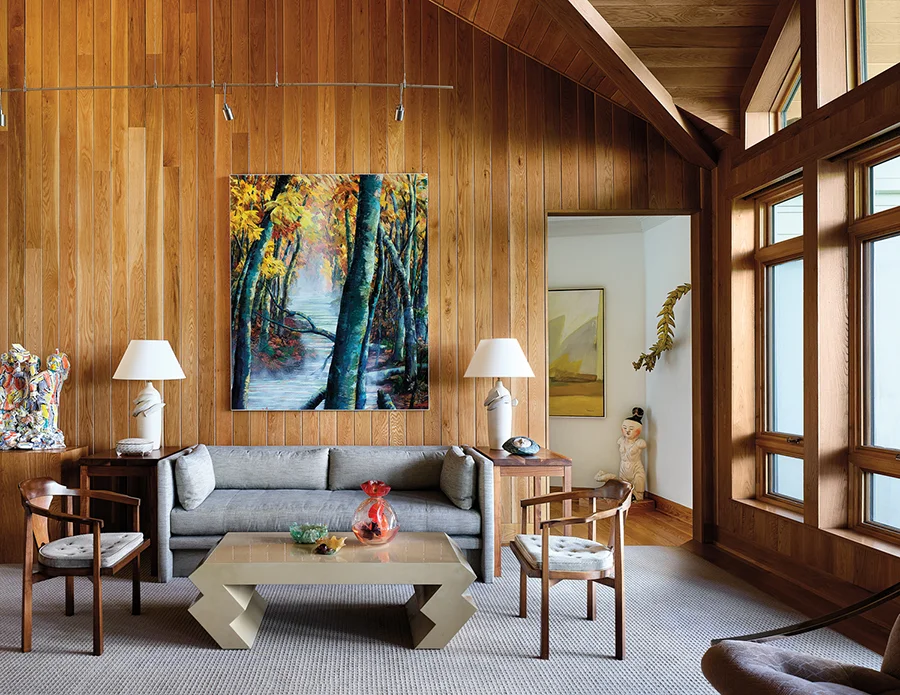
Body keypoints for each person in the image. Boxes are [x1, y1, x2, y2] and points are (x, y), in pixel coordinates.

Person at [595, 407, 647, 500]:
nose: (627, 431)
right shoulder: (621, 441)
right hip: (623, 467)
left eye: (631, 429)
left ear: (638, 431)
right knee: (623, 486)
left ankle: (636, 498)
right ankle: (625, 497)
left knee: (638, 482)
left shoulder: (640, 443)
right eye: (625, 428)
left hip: (635, 467)